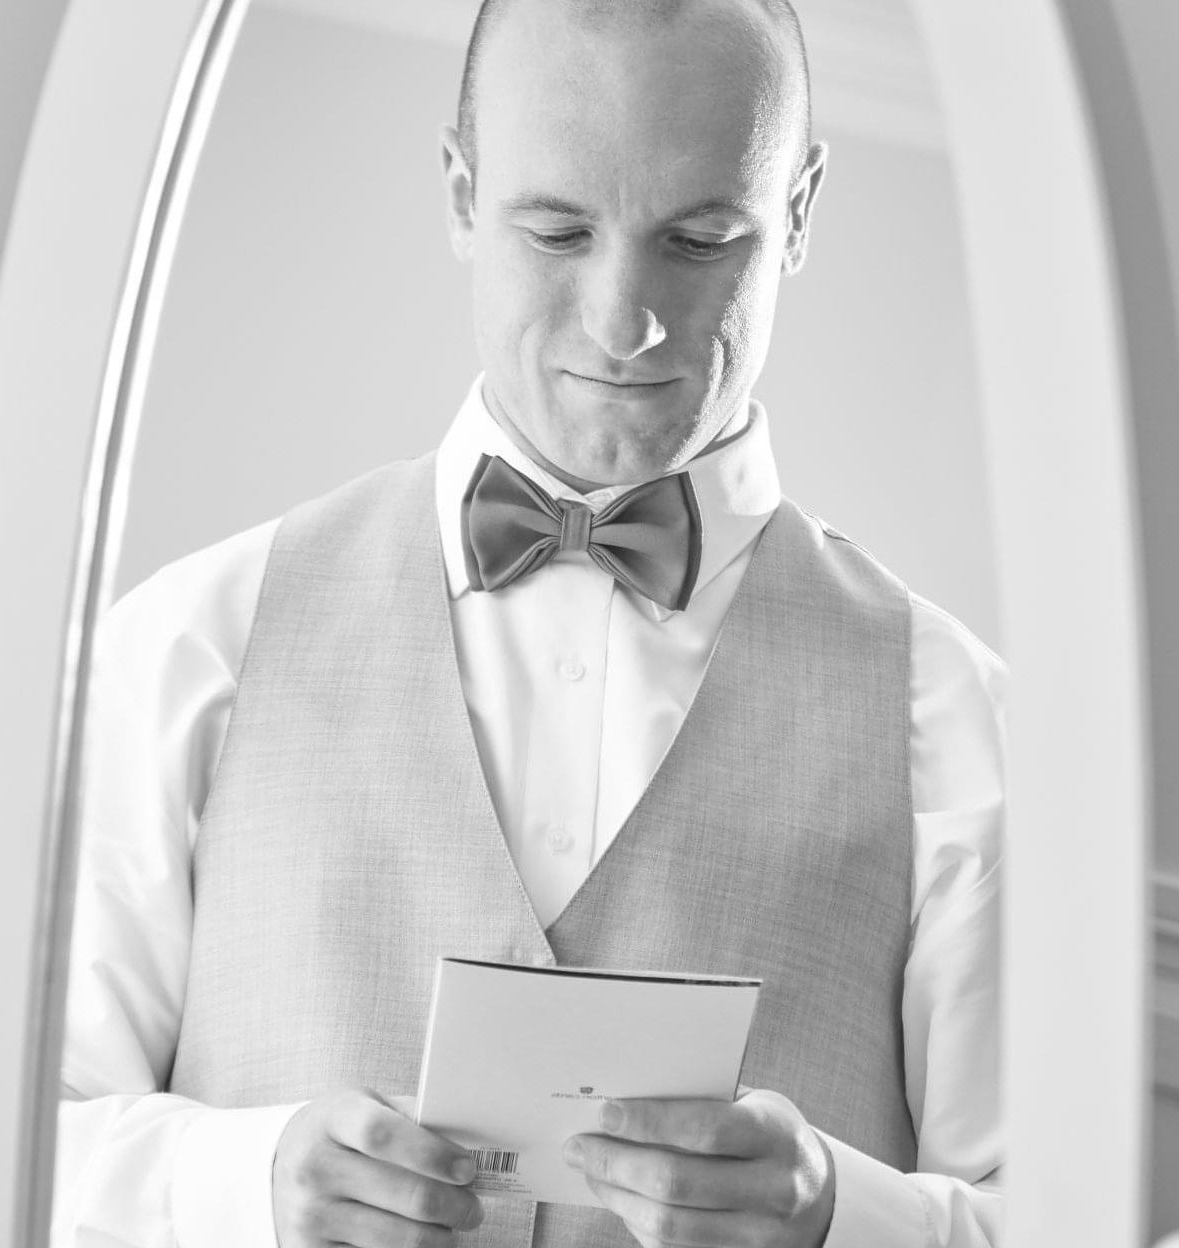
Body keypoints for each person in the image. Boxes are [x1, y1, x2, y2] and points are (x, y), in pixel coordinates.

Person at [53, 0, 1005, 1245]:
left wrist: (843, 1217)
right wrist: (238, 1186)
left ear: (801, 212)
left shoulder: (954, 713)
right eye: (558, 232)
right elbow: (22, 1144)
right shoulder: (189, 648)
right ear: (461, 194)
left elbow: (1071, 1211)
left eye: (702, 239)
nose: (625, 322)